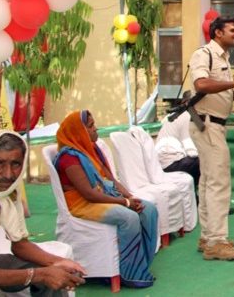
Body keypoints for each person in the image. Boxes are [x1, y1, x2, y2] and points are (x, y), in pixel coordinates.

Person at [54, 111, 158, 288]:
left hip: (103, 197)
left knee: (148, 209)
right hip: (84, 204)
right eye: (91, 126)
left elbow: (111, 180)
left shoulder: (91, 150)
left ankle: (141, 265)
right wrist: (125, 203)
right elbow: (89, 194)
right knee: (129, 216)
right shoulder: (68, 158)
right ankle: (130, 274)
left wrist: (130, 197)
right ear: (78, 131)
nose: (96, 129)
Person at [0, 130, 86, 297]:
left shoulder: (6, 192)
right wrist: (38, 275)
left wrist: (58, 262)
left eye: (16, 164)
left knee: (51, 272)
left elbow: (20, 244)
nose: (8, 174)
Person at [189, 15, 234, 261]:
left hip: (213, 124)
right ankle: (217, 241)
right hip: (207, 125)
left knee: (207, 182)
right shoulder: (204, 54)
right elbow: (202, 84)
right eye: (232, 30)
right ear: (217, 33)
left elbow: (217, 92)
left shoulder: (222, 57)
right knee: (218, 183)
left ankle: (207, 237)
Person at [155, 110, 200, 188]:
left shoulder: (177, 114)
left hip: (162, 163)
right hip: (171, 164)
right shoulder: (188, 117)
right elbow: (191, 152)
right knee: (204, 163)